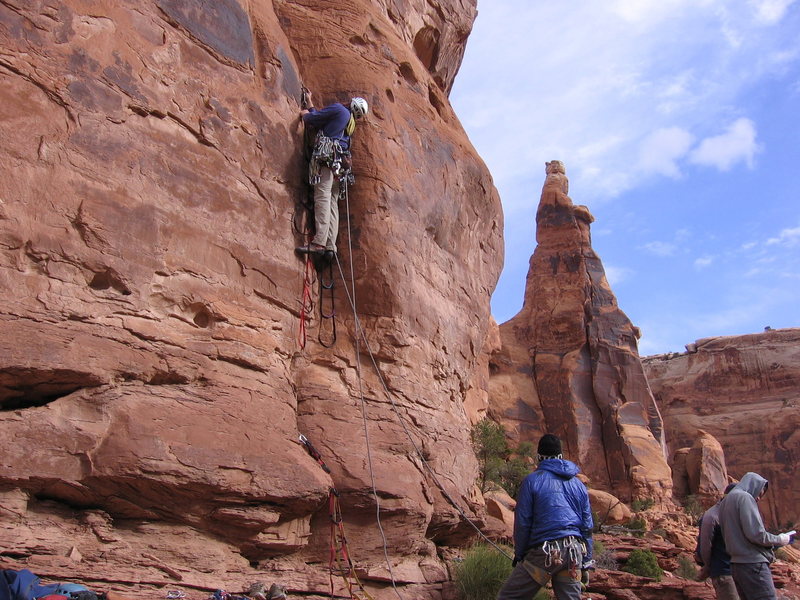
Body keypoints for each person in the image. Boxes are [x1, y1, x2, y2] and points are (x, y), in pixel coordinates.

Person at [497, 434, 594, 600]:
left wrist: (520, 555)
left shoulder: (532, 481)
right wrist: (586, 560)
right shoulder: (578, 484)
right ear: (561, 456)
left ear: (539, 456)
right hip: (573, 553)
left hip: (544, 553)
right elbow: (587, 526)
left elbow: (523, 523)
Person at [296, 93, 368, 257]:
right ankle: (330, 246)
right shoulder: (350, 124)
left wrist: (305, 114)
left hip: (327, 160)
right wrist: (311, 103)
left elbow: (312, 119)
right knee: (332, 202)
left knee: (322, 196)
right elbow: (322, 119)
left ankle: (319, 243)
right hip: (340, 167)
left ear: (351, 103)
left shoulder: (339, 110)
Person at [718, 472, 795, 600]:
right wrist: (780, 539)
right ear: (753, 485)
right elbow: (756, 534)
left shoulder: (726, 501)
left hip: (736, 565)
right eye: (759, 493)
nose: (758, 498)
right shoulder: (745, 498)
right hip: (753, 565)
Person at [695, 483, 739, 600]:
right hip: (724, 573)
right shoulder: (712, 516)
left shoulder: (735, 515)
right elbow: (704, 547)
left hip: (740, 572)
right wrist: (709, 566)